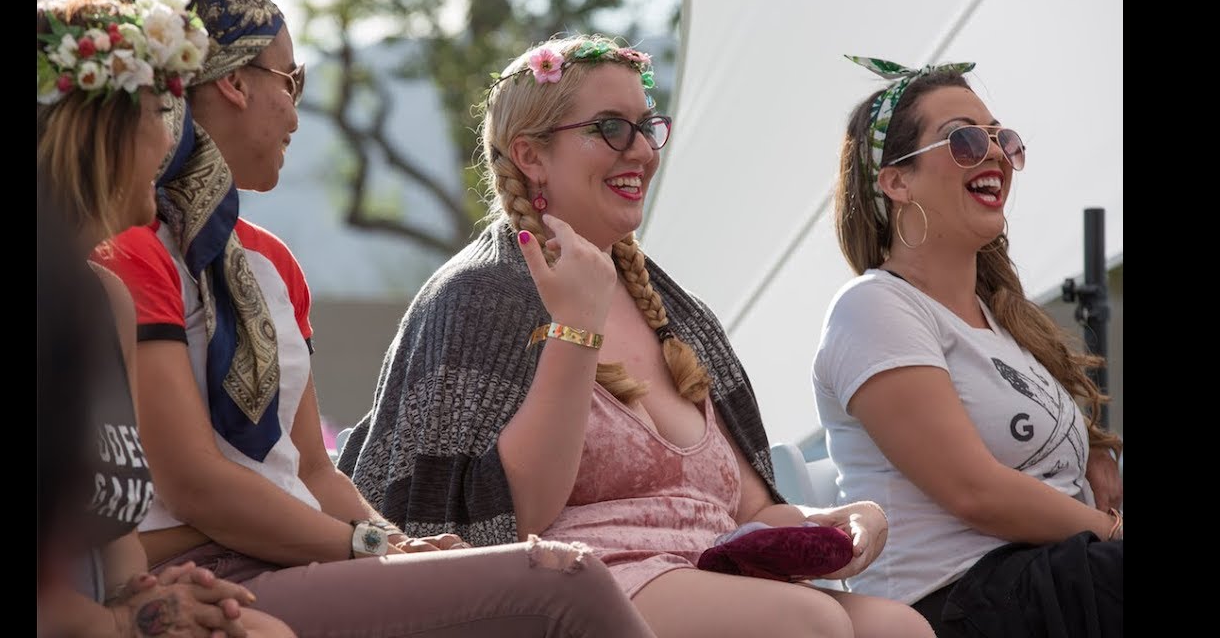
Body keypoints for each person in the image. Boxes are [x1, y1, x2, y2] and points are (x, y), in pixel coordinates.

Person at [60, 0, 660, 636]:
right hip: (222, 571)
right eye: (290, 80)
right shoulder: (130, 254)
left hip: (296, 557)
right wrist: (369, 547)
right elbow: (197, 484)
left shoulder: (270, 264)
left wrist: (393, 542)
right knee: (564, 582)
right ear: (234, 83)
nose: (295, 110)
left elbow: (314, 471)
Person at [337, 34, 936, 638]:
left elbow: (751, 510)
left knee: (900, 628)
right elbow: (510, 520)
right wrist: (575, 327)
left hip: (710, 575)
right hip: (570, 586)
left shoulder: (678, 311)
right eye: (611, 128)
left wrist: (837, 520)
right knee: (807, 621)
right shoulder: (477, 297)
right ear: (530, 155)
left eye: (647, 127)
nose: (644, 150)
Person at [812, 56, 1124, 636]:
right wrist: (1110, 533)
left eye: (1002, 138)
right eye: (963, 139)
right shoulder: (873, 307)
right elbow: (974, 491)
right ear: (896, 181)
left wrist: (1092, 451)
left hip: (1050, 577)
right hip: (958, 601)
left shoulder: (1004, 323)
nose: (995, 152)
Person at [35, 0, 295, 637]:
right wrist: (122, 624)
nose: (172, 136)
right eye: (160, 111)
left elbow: (116, 540)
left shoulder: (103, 299)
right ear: (102, 132)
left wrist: (155, 601)